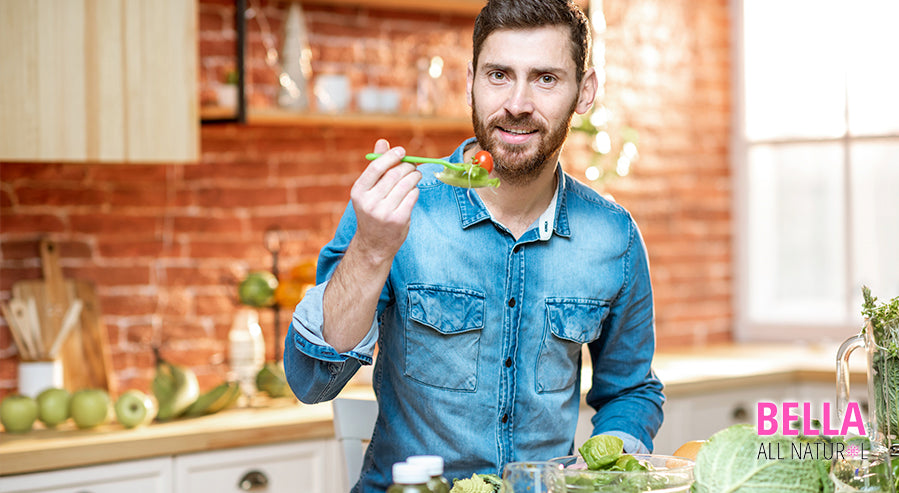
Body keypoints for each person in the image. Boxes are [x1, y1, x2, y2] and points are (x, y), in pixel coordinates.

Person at [284, 0, 665, 491]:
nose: (518, 103)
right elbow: (311, 381)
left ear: (585, 91)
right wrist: (373, 250)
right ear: (471, 81)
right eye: (499, 75)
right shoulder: (398, 209)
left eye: (545, 78)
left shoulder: (613, 236)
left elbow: (631, 391)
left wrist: (603, 468)